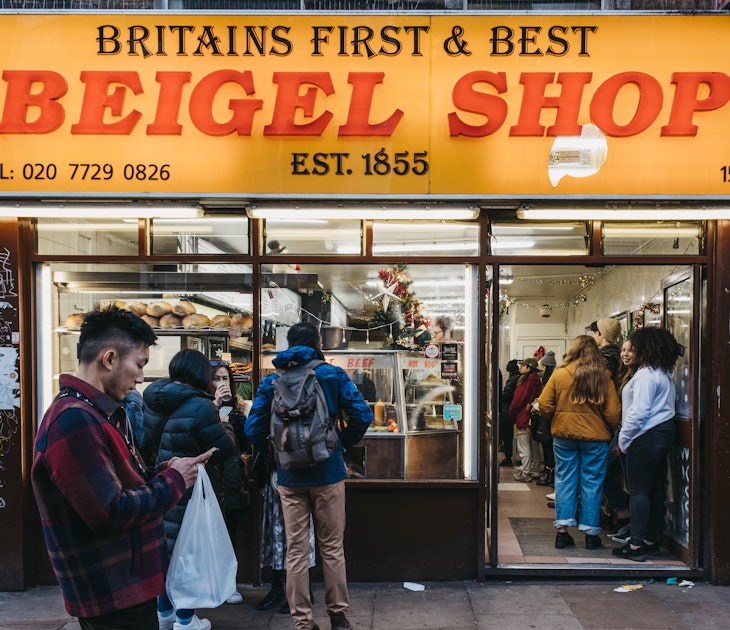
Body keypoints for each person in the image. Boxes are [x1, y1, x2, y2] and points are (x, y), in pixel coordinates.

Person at [31, 306, 212, 630]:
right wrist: (173, 481)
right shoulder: (73, 420)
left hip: (127, 586)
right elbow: (109, 511)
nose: (141, 377)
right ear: (110, 359)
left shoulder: (97, 413)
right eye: (139, 365)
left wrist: (160, 471)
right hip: (112, 594)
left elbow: (113, 485)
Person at [245, 322, 373, 630]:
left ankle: (302, 622)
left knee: (296, 550)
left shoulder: (272, 381)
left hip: (289, 478)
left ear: (289, 344)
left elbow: (252, 429)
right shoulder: (331, 374)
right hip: (328, 473)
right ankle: (338, 617)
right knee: (331, 546)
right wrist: (339, 443)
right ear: (318, 344)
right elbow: (362, 414)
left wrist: (279, 448)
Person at [143, 349, 236, 630]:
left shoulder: (153, 399)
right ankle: (185, 619)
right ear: (200, 375)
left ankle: (164, 611)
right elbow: (223, 448)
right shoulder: (201, 406)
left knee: (165, 549)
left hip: (160, 481)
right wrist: (225, 423)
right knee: (188, 552)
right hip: (188, 486)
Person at [536, 335, 621, 550]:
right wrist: (605, 426)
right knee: (592, 483)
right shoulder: (604, 377)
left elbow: (544, 405)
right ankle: (591, 535)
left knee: (565, 480)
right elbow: (613, 413)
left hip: (564, 437)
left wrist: (558, 418)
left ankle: (562, 533)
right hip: (596, 439)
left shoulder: (560, 374)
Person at [613, 327, 680, 562]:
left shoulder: (645, 375)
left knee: (639, 490)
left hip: (646, 434)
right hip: (664, 432)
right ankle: (650, 540)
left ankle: (636, 545)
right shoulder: (663, 372)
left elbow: (638, 413)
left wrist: (623, 440)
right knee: (655, 488)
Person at [210, 359, 253, 605]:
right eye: (216, 378)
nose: (221, 383)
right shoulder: (202, 407)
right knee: (208, 533)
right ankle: (209, 585)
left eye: (225, 378)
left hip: (233, 479)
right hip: (210, 479)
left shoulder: (240, 407)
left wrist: (240, 420)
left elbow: (246, 445)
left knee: (229, 533)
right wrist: (215, 409)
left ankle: (229, 585)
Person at [603, 339, 638, 541]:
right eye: (623, 350)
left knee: (621, 478)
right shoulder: (624, 375)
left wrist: (620, 439)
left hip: (626, 434)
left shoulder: (639, 377)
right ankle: (623, 516)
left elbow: (635, 412)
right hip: (621, 432)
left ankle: (627, 518)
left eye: (630, 350)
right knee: (610, 475)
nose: (625, 354)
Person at [509, 358, 543, 482]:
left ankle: (525, 472)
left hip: (523, 416)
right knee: (533, 445)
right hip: (533, 417)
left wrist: (511, 413)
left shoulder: (525, 382)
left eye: (523, 366)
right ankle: (535, 469)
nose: (520, 368)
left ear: (528, 368)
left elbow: (517, 401)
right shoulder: (538, 382)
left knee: (523, 446)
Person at [535, 351, 558, 487]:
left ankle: (551, 476)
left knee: (549, 448)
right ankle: (550, 475)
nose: (540, 370)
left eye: (542, 367)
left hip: (548, 419)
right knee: (547, 447)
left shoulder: (552, 380)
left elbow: (548, 400)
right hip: (546, 418)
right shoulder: (545, 381)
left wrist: (539, 406)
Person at [499, 359, 520, 467]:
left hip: (507, 411)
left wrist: (498, 397)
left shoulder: (512, 380)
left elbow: (506, 395)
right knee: (513, 436)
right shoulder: (519, 378)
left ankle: (508, 458)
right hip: (513, 412)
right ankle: (515, 457)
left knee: (507, 436)